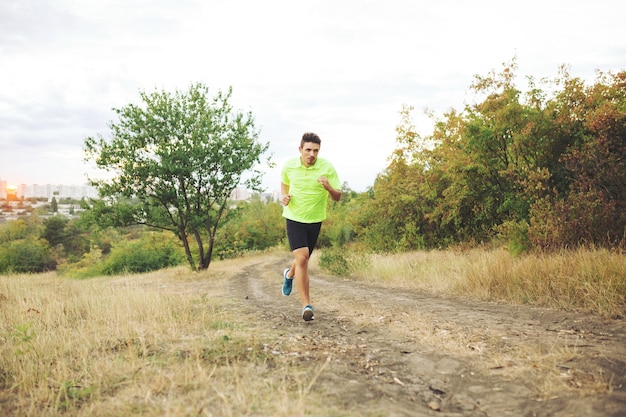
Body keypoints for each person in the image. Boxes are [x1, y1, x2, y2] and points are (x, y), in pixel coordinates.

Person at [280, 132, 342, 321]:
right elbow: (284, 182)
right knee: (303, 257)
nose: (312, 154)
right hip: (294, 217)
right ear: (300, 150)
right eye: (308, 150)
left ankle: (289, 274)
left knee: (302, 260)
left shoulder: (327, 167)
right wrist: (284, 197)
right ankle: (306, 305)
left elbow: (337, 196)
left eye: (315, 150)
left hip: (315, 219)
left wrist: (328, 187)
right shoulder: (290, 165)